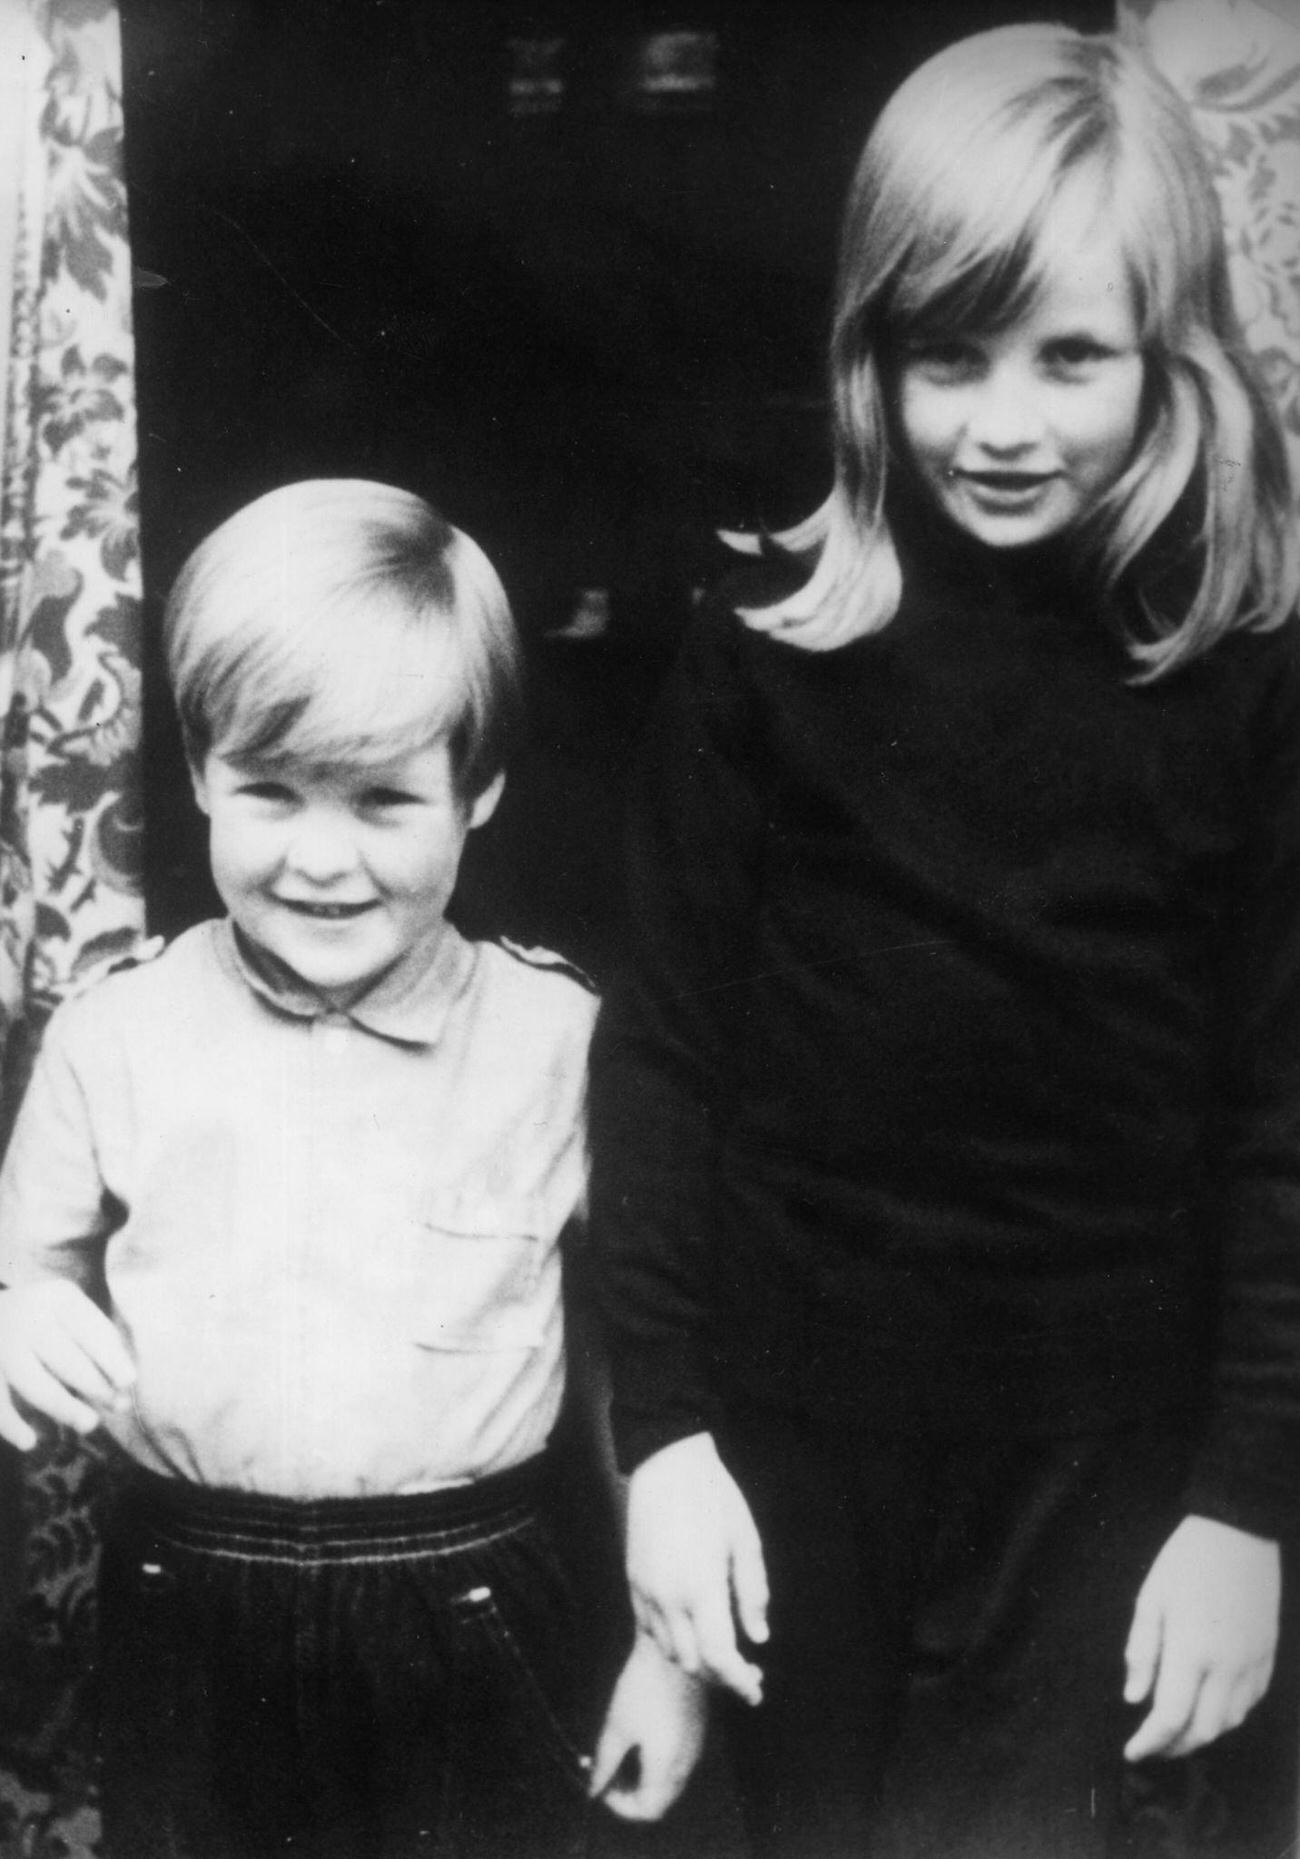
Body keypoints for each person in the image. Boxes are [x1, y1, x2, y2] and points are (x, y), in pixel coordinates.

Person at [589, 23, 1300, 1859]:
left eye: (1071, 359)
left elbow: (1286, 1125)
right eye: (947, 356)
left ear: (1172, 358)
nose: (1001, 422)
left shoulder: (1247, 684)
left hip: (1104, 1475)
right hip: (788, 1447)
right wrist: (662, 1449)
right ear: (869, 358)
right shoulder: (763, 650)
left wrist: (1247, 1508)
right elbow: (661, 1066)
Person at [0, 479, 704, 1859]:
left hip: (476, 1603)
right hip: (183, 1594)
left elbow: (644, 1367)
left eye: (385, 801)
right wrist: (21, 1309)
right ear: (199, 769)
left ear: (481, 791)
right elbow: (23, 1262)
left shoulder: (561, 1042)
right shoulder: (116, 1029)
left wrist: (668, 1658)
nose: (323, 860)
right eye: (270, 793)